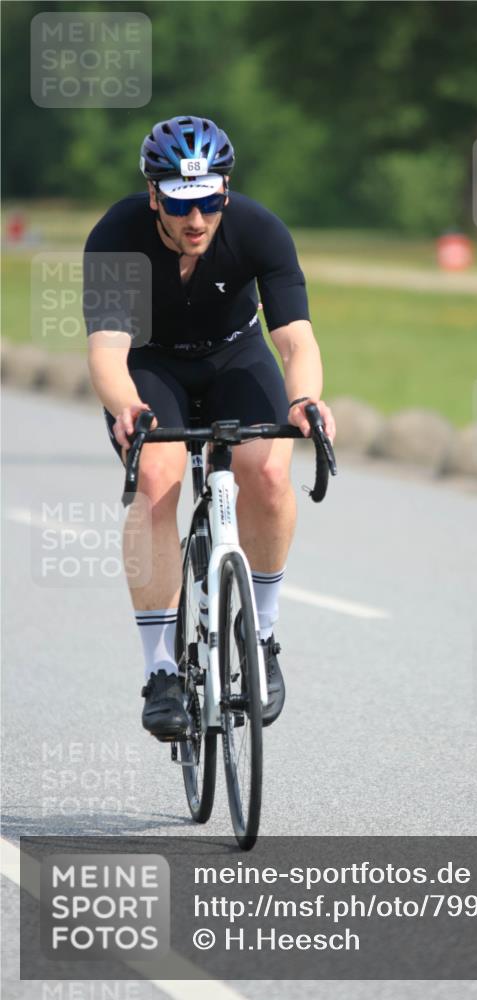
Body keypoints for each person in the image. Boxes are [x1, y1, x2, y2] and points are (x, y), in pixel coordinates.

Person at [84, 115, 335, 738]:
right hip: (151, 363)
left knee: (271, 471)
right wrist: (127, 408)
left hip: (235, 355)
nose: (196, 220)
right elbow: (107, 353)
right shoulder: (118, 235)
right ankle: (161, 671)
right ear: (153, 195)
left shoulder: (258, 230)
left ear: (225, 190)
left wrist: (304, 401)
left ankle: (265, 635)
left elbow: (296, 341)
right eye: (179, 203)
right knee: (157, 478)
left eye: (209, 201)